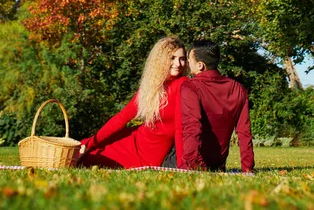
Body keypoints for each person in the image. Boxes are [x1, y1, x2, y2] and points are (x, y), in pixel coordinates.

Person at [78, 36, 187, 168]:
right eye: (172, 58)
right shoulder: (151, 88)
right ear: (160, 60)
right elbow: (121, 118)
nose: (178, 64)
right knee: (90, 154)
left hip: (149, 155)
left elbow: (181, 128)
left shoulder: (183, 85)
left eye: (182, 59)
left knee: (91, 160)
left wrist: (184, 164)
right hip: (134, 141)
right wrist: (89, 143)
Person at [175, 39, 254, 172]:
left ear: (200, 65)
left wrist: (191, 166)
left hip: (193, 162)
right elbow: (244, 132)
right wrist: (248, 169)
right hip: (217, 165)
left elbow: (192, 127)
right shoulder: (238, 88)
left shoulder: (190, 87)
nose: (187, 63)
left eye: (189, 59)